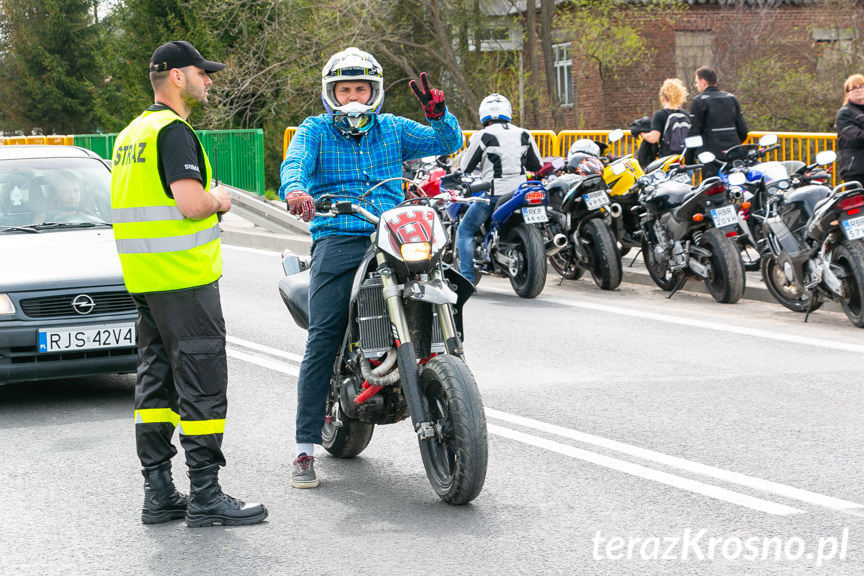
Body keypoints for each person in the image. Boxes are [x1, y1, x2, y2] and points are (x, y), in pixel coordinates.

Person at [279, 47, 463, 489]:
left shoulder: (394, 127)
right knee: (323, 335)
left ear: (375, 91)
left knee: (449, 279)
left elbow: (448, 144)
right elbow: (294, 165)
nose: (354, 97)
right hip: (340, 234)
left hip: (394, 231)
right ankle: (305, 450)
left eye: (361, 88)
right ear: (331, 94)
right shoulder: (315, 130)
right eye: (345, 90)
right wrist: (297, 191)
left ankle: (448, 371)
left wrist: (440, 114)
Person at [110, 41, 267, 527]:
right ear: (177, 77)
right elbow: (190, 202)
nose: (210, 80)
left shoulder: (131, 133)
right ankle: (205, 494)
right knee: (202, 386)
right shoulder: (174, 132)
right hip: (185, 280)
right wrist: (219, 198)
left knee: (155, 385)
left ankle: (158, 493)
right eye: (203, 73)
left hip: (147, 282)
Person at [456, 93, 542, 283]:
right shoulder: (524, 133)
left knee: (465, 231)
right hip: (521, 192)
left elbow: (465, 167)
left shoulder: (482, 135)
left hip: (495, 195)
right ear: (508, 111)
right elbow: (537, 165)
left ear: (483, 113)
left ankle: (467, 278)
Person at [688, 66, 748, 177]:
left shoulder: (699, 101)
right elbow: (743, 130)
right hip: (734, 153)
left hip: (711, 156)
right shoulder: (731, 98)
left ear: (703, 82)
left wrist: (689, 159)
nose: (695, 85)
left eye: (696, 82)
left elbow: (693, 133)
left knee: (713, 189)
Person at [639, 78, 690, 160]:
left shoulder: (660, 115)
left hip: (668, 160)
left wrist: (642, 132)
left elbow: (653, 138)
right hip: (684, 159)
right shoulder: (686, 115)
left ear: (662, 98)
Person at [835, 73, 864, 185]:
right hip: (856, 170)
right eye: (854, 88)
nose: (859, 90)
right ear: (847, 93)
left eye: (861, 86)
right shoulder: (844, 113)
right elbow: (856, 138)